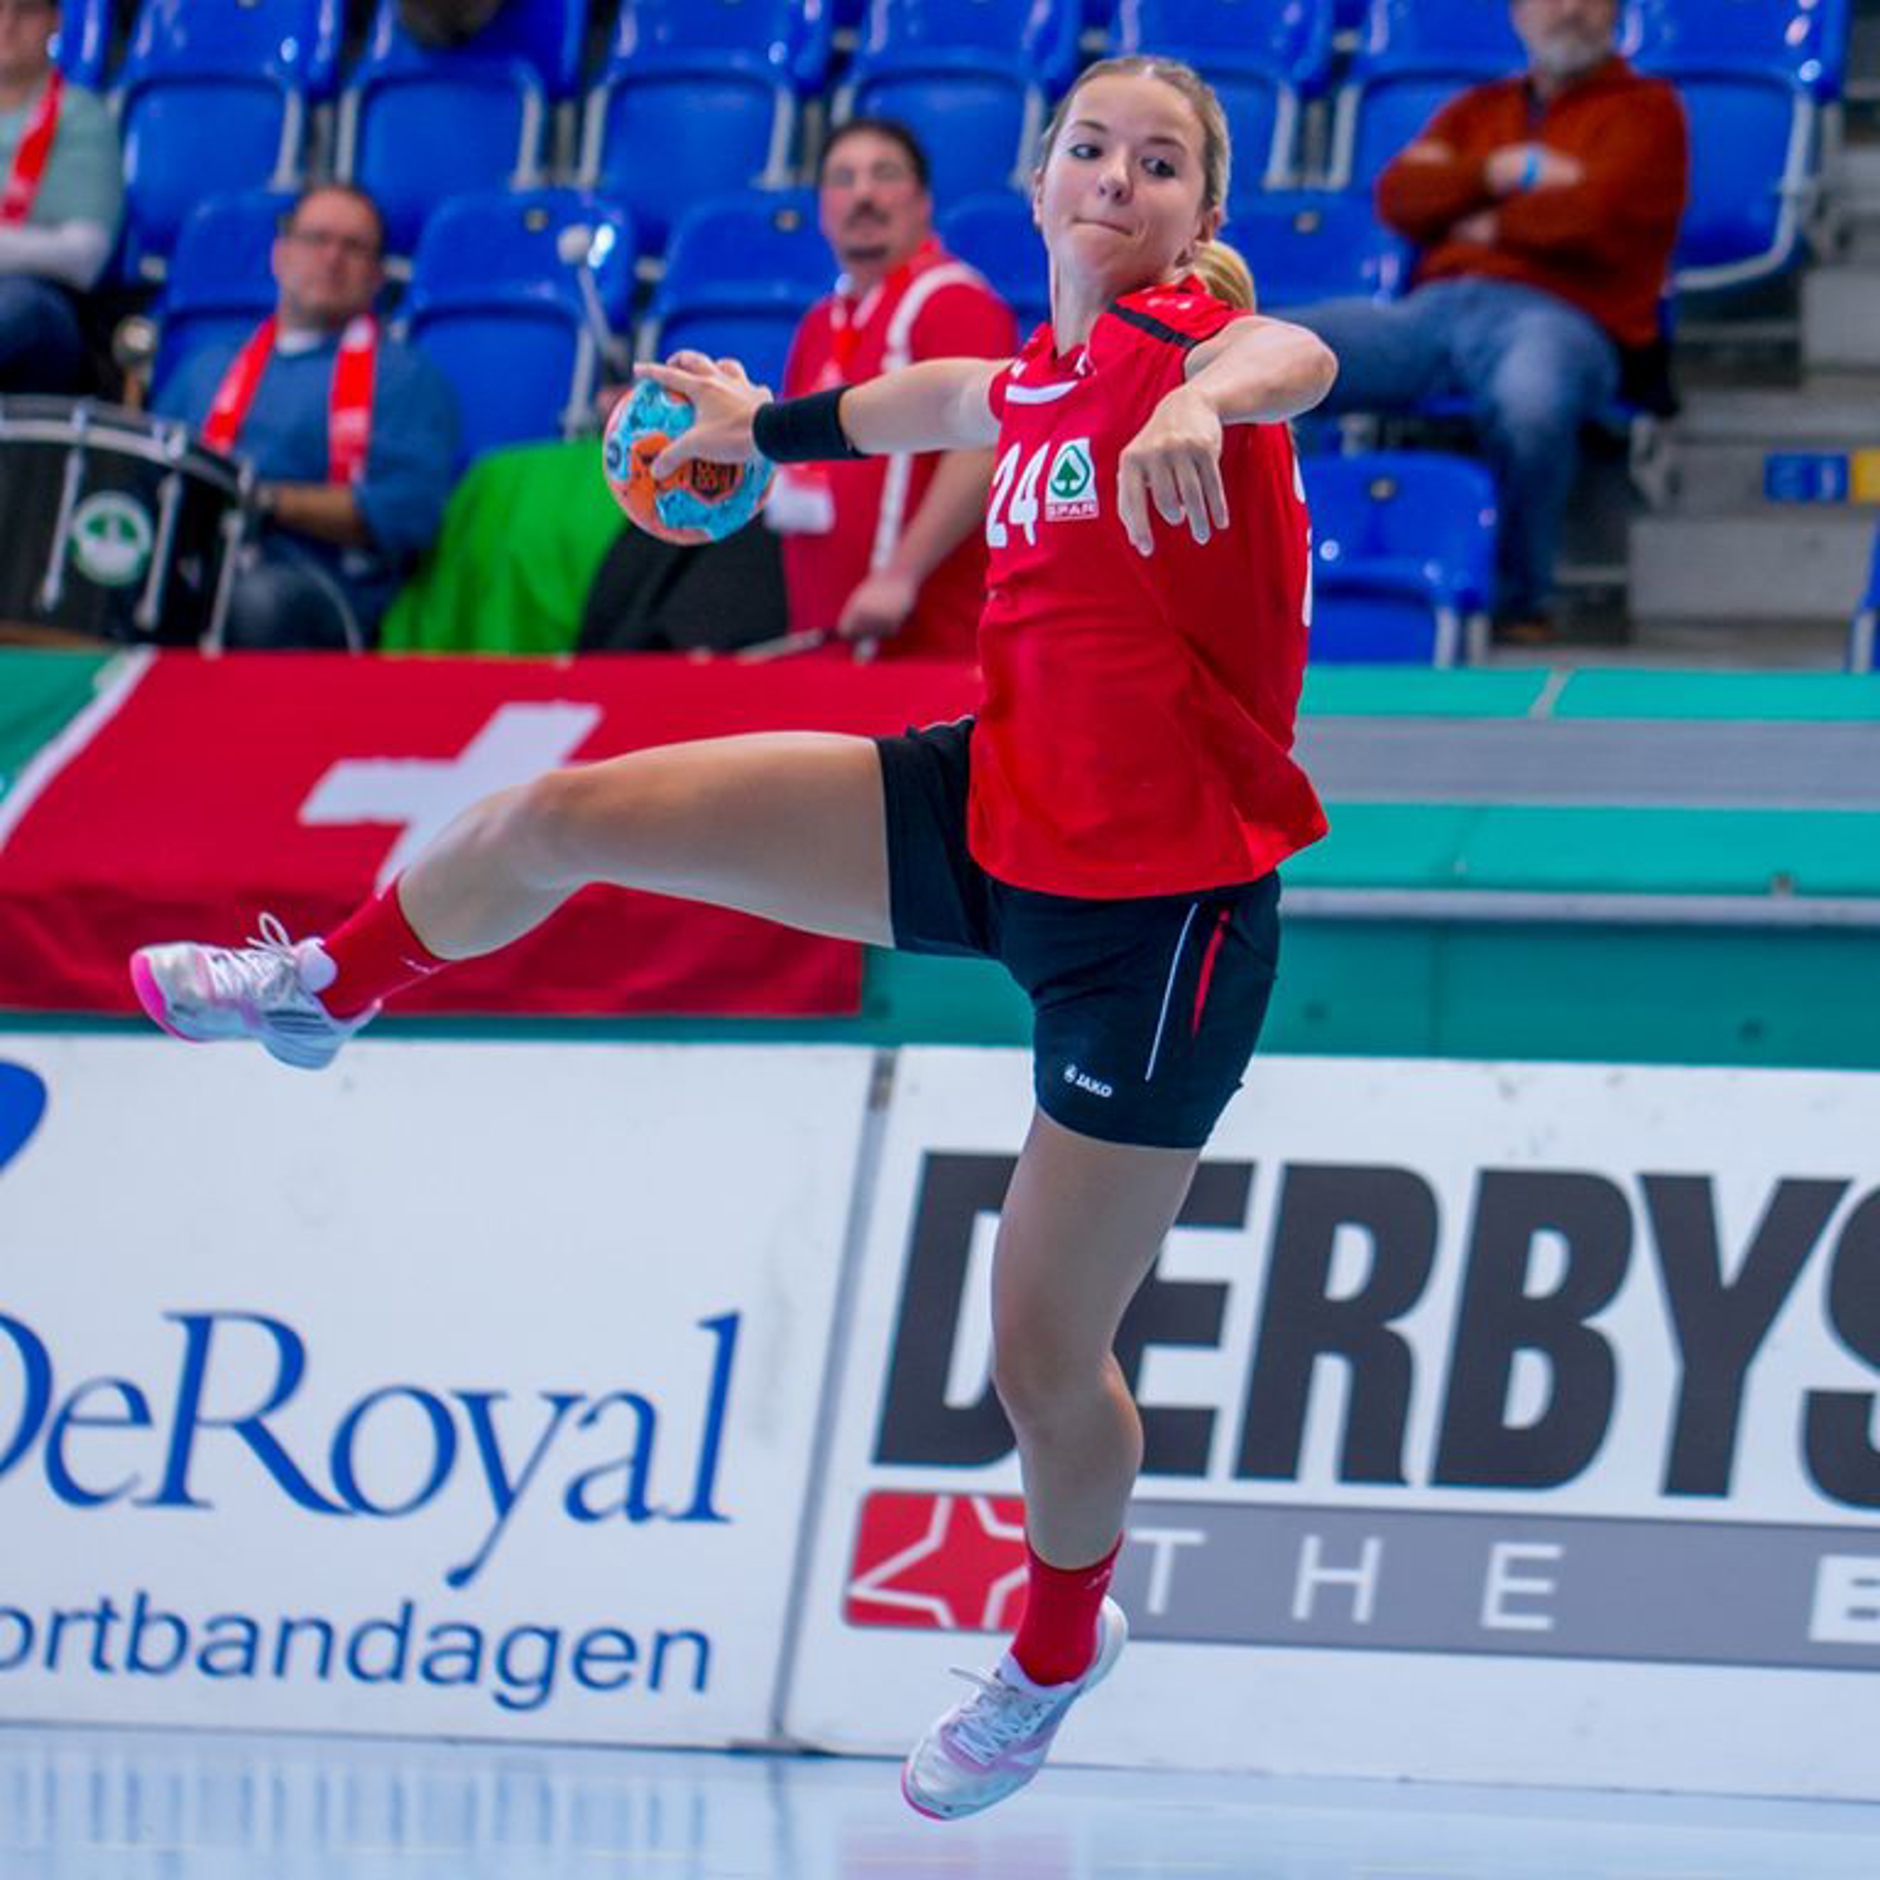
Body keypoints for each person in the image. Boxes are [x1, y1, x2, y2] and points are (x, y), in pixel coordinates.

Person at [127, 55, 1335, 1819]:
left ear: (1199, 215)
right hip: (991, 810)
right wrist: (755, 426)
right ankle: (328, 986)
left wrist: (1200, 406)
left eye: (1161, 163)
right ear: (1041, 176)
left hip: (1162, 923)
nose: (1118, 175)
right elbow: (937, 400)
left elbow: (1289, 355)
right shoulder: (1036, 375)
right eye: (1090, 146)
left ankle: (1063, 1642)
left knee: (1038, 1358)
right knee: (566, 812)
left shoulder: (1186, 360)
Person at [1287, 0, 1687, 638]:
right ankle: (1276, 574)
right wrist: (1504, 171)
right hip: (1432, 311)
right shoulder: (1479, 109)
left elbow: (1594, 218)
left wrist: (1482, 216)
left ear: (1616, 13)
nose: (1573, 12)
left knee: (1532, 399)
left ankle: (1521, 599)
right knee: (1279, 351)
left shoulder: (1650, 110)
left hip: (1565, 315)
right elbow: (1399, 196)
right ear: (1520, 14)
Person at [152, 183, 458, 650]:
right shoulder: (207, 367)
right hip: (199, 564)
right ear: (280, 254)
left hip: (321, 584)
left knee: (255, 599)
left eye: (353, 247)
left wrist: (268, 501)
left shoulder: (407, 378)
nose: (332, 259)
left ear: (378, 276)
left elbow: (412, 512)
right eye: (316, 239)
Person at [771, 116, 1017, 660]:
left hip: (929, 647)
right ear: (821, 211)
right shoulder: (819, 324)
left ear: (922, 201)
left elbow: (984, 445)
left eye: (884, 174)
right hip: (828, 637)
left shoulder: (956, 302)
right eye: (843, 178)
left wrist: (900, 575)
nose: (863, 193)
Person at [0, 0, 122, 394]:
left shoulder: (81, 116)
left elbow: (83, 256)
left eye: (25, 11)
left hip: (42, 304)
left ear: (55, 21)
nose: (7, 25)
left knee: (18, 307)